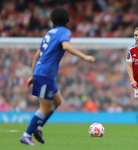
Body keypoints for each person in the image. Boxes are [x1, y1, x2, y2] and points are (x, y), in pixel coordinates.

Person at [20, 6, 95, 145]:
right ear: (67, 20)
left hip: (43, 72)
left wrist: (32, 75)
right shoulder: (64, 32)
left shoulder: (49, 33)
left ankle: (39, 127)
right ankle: (26, 135)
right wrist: (85, 56)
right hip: (45, 73)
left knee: (57, 101)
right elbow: (66, 46)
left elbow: (36, 56)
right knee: (45, 108)